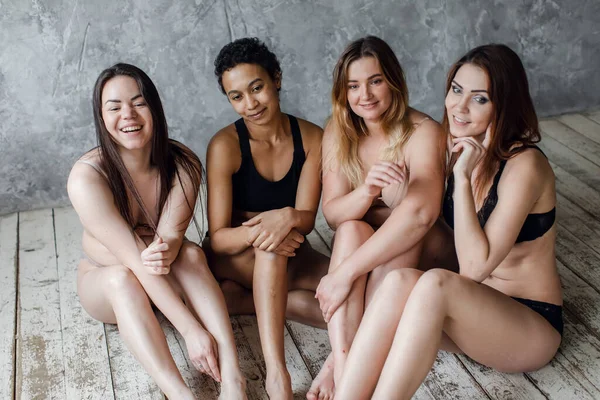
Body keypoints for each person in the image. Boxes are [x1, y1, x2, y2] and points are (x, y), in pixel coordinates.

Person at [333, 44, 563, 400]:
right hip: (473, 316)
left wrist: (463, 175)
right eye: (456, 90)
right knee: (397, 283)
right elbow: (439, 231)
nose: (459, 106)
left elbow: (473, 268)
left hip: (528, 325)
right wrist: (391, 196)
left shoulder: (525, 166)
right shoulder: (465, 147)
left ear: (505, 103)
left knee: (435, 283)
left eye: (479, 98)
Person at [67, 63, 246, 400]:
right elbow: (134, 262)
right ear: (101, 117)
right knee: (123, 278)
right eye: (115, 107)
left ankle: (235, 380)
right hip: (106, 282)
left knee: (192, 252)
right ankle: (180, 394)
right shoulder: (87, 177)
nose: (128, 115)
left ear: (155, 107)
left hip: (163, 276)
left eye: (138, 102)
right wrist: (191, 329)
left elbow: (172, 241)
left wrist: (170, 245)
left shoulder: (183, 164)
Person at [313, 35, 447, 395]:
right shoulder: (339, 131)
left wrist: (344, 273)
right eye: (353, 86)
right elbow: (333, 214)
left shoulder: (423, 131)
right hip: (366, 248)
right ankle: (343, 365)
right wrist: (368, 191)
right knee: (352, 230)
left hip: (421, 246)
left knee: (397, 224)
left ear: (393, 80)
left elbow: (421, 215)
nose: (365, 95)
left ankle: (341, 370)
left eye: (375, 81)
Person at [204, 38, 330, 400]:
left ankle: (241, 302)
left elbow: (305, 220)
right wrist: (268, 231)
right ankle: (277, 375)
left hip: (292, 246)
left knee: (349, 293)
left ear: (276, 79)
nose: (250, 104)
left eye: (256, 88)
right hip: (234, 255)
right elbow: (219, 239)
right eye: (236, 96)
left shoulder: (312, 138)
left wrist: (286, 216)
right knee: (272, 249)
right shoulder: (224, 146)